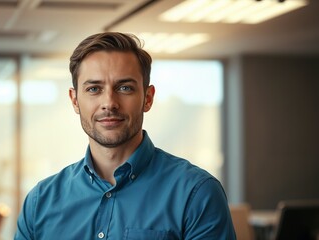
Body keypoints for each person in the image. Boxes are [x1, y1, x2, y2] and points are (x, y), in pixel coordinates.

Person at [15, 32, 236, 239]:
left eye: (124, 88)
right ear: (75, 100)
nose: (109, 103)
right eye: (94, 89)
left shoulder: (196, 193)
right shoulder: (39, 202)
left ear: (147, 98)